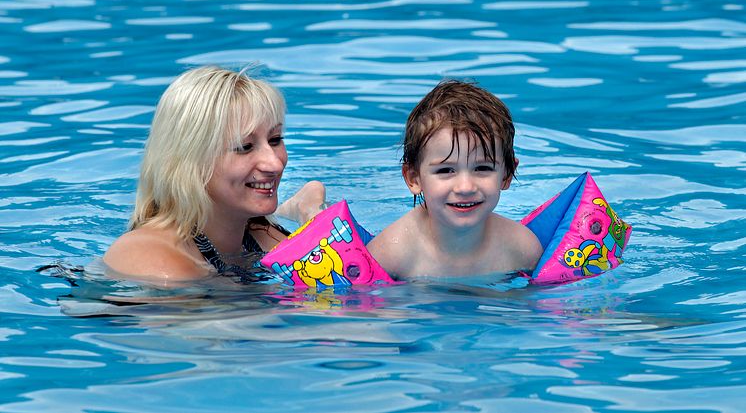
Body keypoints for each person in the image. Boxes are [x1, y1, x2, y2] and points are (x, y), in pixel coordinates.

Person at [104, 66, 325, 283]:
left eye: (275, 140)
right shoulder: (151, 258)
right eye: (244, 146)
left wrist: (318, 220)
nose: (275, 164)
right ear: (190, 161)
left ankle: (306, 209)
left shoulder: (259, 236)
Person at [367, 79, 542, 279]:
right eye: (446, 171)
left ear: (506, 175)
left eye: (482, 168)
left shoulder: (522, 249)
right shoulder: (389, 254)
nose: (465, 187)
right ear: (414, 178)